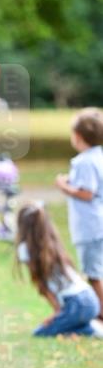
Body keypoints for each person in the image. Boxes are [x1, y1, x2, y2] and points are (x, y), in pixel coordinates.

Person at [15, 202, 101, 337]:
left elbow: (41, 285)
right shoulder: (52, 243)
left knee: (40, 333)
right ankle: (90, 326)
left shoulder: (25, 249)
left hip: (75, 304)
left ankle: (90, 329)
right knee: (62, 325)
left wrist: (57, 312)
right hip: (90, 298)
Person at [55, 108, 103, 319]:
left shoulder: (84, 161)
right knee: (96, 271)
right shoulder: (98, 156)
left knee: (93, 275)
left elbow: (87, 193)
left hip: (89, 227)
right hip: (98, 224)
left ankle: (100, 315)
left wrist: (63, 186)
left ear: (78, 136)